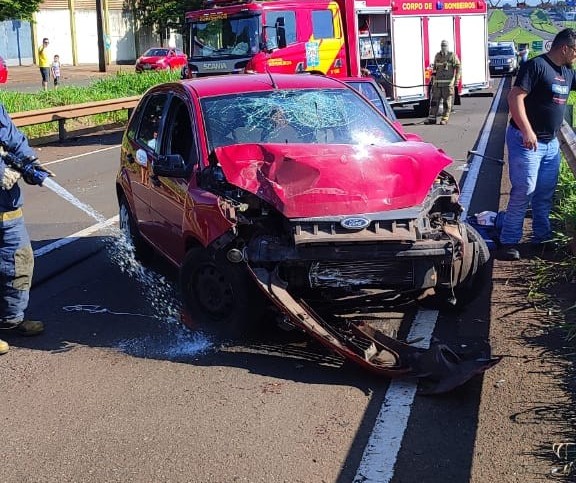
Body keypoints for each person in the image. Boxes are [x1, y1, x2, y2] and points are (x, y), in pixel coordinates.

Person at [499, 28, 576, 261]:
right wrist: (527, 130)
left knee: (544, 193)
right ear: (565, 48)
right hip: (526, 141)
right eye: (575, 50)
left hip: (551, 143)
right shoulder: (536, 66)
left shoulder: (567, 72)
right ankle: (509, 241)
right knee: (524, 191)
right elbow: (514, 97)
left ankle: (542, 238)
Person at [0, 103, 54, 354]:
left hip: (7, 208)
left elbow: (12, 138)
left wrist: (30, 163)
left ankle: (11, 320)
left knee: (19, 262)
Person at [425, 40, 460, 125]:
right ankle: (432, 118)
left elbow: (458, 67)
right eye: (442, 46)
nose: (443, 47)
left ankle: (444, 118)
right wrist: (432, 79)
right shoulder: (437, 55)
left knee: (446, 102)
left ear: (448, 46)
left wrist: (457, 80)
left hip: (448, 85)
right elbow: (435, 69)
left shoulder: (452, 56)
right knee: (434, 102)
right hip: (437, 84)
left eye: (445, 46)